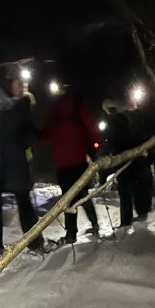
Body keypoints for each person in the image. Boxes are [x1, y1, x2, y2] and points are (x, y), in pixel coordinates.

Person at [0, 74, 44, 258]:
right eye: (18, 84)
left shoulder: (22, 105)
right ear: (8, 84)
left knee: (24, 201)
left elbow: (32, 132)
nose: (21, 87)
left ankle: (35, 242)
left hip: (16, 160)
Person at [40, 87, 101, 243]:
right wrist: (93, 148)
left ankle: (71, 234)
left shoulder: (55, 112)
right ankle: (94, 223)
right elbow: (93, 131)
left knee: (68, 200)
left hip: (62, 164)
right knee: (84, 195)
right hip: (79, 162)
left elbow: (45, 135)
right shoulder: (79, 108)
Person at [103, 99, 153, 228]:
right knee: (135, 187)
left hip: (124, 159)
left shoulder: (115, 121)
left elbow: (116, 140)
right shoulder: (130, 119)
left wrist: (111, 152)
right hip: (135, 158)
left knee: (125, 191)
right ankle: (140, 212)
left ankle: (127, 220)